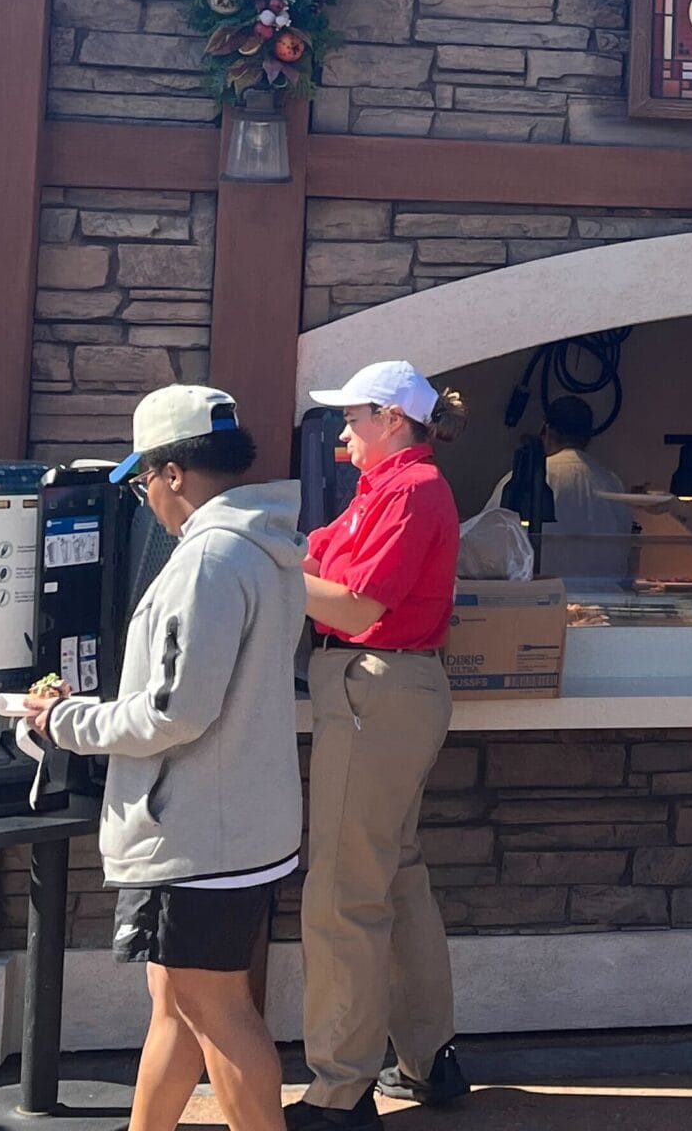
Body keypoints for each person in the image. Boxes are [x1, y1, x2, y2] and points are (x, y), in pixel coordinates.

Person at [26, 386, 304, 1131]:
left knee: (215, 1009)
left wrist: (64, 720)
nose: (145, 495)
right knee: (177, 1002)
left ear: (174, 471)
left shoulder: (207, 562)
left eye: (145, 477)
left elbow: (174, 713)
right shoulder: (264, 546)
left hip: (199, 835)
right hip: (238, 825)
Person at [290, 361, 470, 1130]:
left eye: (354, 416)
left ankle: (340, 1090)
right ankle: (428, 1059)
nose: (343, 430)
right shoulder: (389, 487)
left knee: (342, 893)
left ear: (393, 418)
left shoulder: (410, 491)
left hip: (377, 687)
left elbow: (357, 601)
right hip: (391, 689)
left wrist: (258, 561)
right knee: (395, 876)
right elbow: (316, 558)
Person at [536, 394, 636, 583]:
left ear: (547, 431)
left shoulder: (531, 478)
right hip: (604, 602)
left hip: (547, 599)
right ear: (588, 438)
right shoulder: (612, 483)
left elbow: (490, 539)